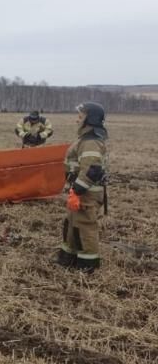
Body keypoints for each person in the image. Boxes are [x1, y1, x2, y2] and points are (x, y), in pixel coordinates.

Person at [57, 102, 108, 273]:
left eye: (81, 115)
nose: (77, 118)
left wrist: (77, 191)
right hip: (79, 191)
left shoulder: (91, 142)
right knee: (72, 224)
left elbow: (92, 170)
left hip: (86, 194)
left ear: (90, 119)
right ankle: (68, 258)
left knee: (85, 227)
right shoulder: (84, 139)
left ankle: (87, 264)